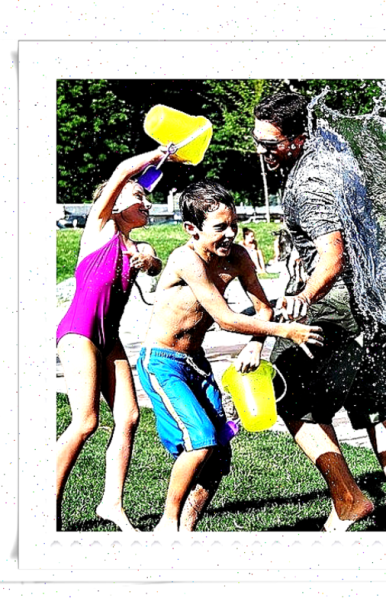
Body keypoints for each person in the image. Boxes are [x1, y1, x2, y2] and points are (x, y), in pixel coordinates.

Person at [253, 92, 386, 532]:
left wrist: (305, 296)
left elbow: (331, 256)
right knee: (379, 411)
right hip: (372, 300)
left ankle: (349, 498)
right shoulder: (333, 155)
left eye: (270, 144)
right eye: (257, 141)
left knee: (286, 394)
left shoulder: (310, 185)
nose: (261, 151)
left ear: (296, 138)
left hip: (335, 304)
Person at [136, 180, 324, 533]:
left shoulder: (238, 258)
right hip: (162, 362)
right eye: (220, 227)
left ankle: (186, 529)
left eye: (234, 224)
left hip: (196, 362)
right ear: (191, 229)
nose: (230, 234)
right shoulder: (186, 259)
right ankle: (167, 524)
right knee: (201, 439)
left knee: (219, 451)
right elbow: (224, 318)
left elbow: (263, 308)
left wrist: (256, 344)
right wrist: (286, 331)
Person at [56, 147, 170, 532]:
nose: (147, 203)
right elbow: (122, 171)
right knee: (85, 422)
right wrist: (159, 154)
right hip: (79, 333)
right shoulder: (100, 227)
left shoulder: (136, 246)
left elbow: (153, 262)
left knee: (129, 417)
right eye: (140, 196)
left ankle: (111, 504)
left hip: (110, 339)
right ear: (117, 202)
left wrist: (149, 262)